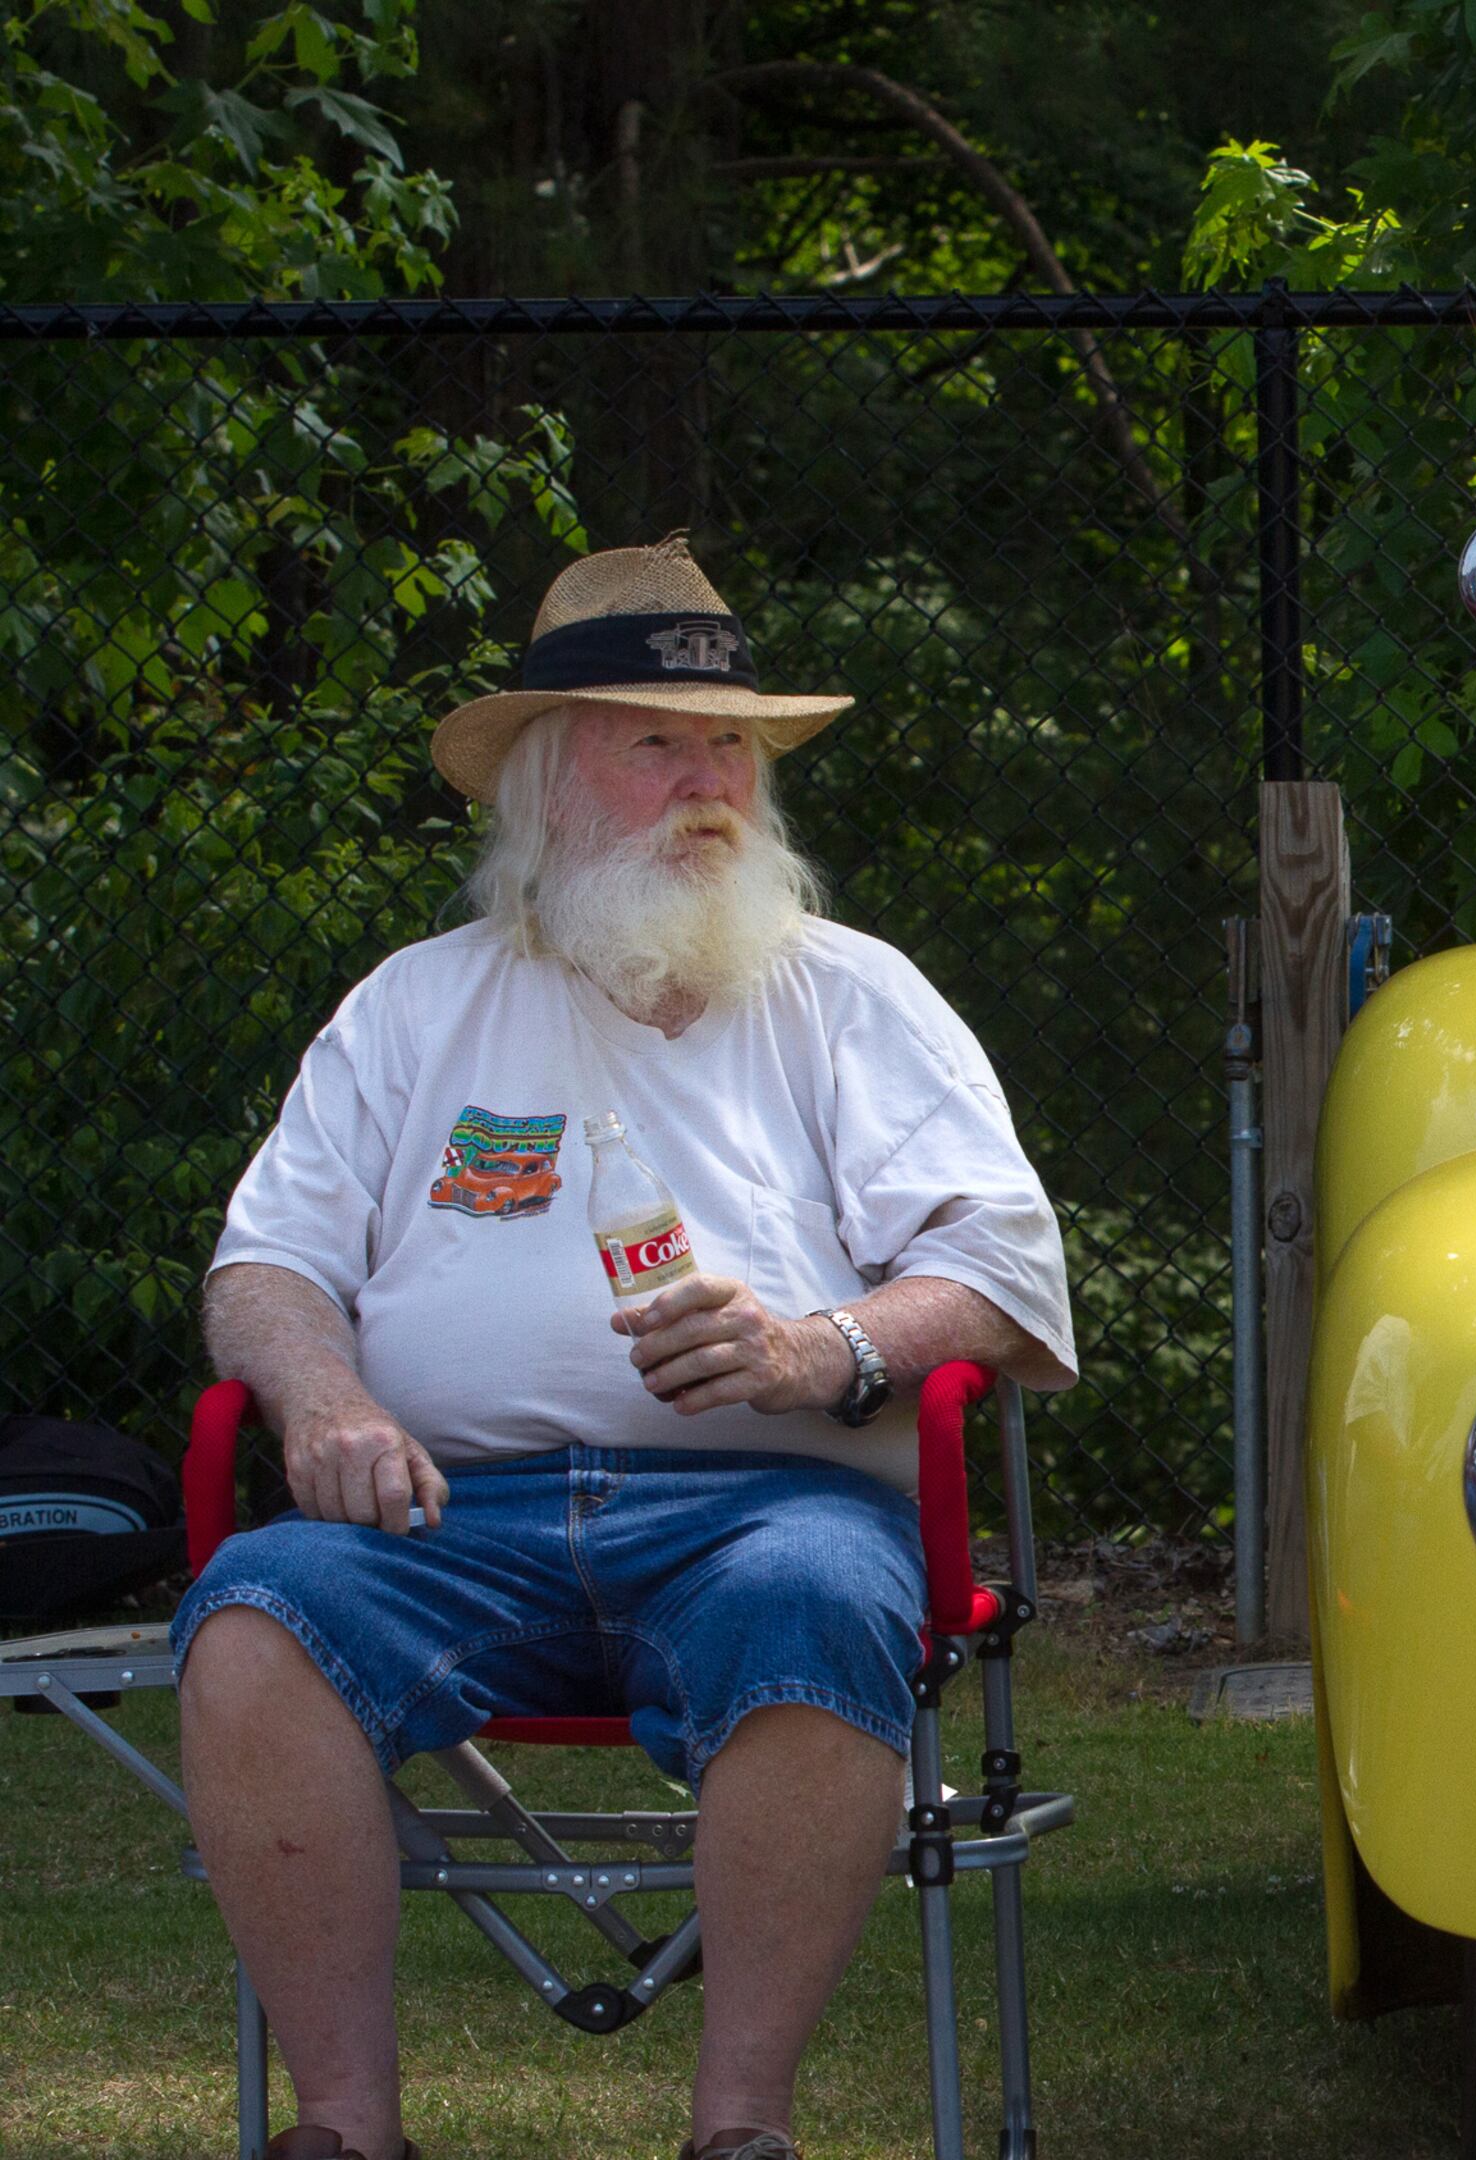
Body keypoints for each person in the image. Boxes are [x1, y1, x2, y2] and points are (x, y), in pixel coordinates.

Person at [174, 537, 1078, 2160]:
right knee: (257, 1622)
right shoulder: (411, 1009)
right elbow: (268, 1266)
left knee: (813, 1598)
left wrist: (821, 1349)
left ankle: (739, 2130)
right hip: (450, 1520)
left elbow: (1002, 1271)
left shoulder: (853, 1001)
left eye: (728, 741)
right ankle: (344, 2130)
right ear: (542, 776)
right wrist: (324, 1399)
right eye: (652, 739)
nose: (706, 778)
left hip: (767, 1515)